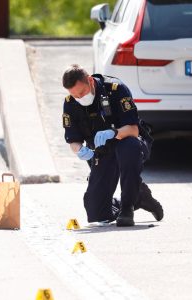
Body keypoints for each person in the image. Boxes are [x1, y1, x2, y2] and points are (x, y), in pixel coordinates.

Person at [61, 64, 164, 227]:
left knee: (129, 147)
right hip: (102, 151)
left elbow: (134, 129)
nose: (79, 98)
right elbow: (73, 138)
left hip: (127, 141)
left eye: (81, 93)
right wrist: (79, 150)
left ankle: (127, 208)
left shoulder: (115, 89)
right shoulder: (70, 103)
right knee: (97, 212)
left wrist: (113, 133)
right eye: (75, 96)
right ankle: (140, 196)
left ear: (90, 81)